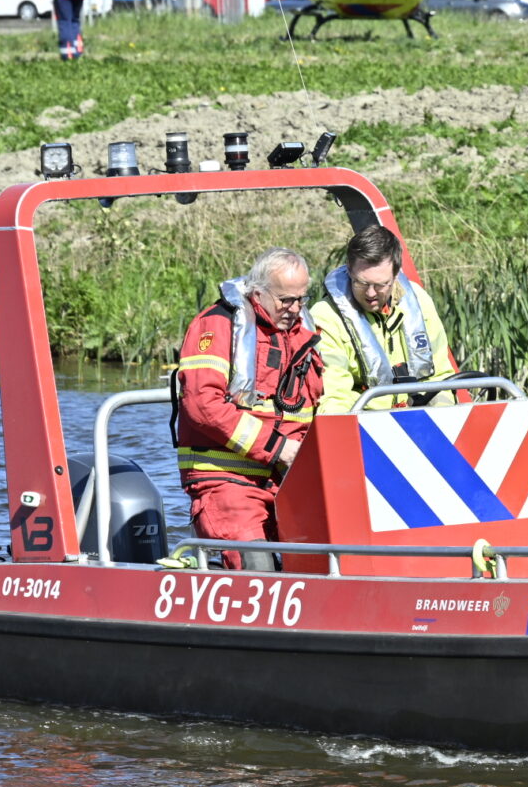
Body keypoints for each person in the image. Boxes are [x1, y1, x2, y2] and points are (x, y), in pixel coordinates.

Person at [173, 248, 324, 569]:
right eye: (285, 300)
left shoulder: (302, 333)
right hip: (228, 482)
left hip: (287, 483)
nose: (295, 309)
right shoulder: (217, 326)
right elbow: (203, 406)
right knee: (258, 568)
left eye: (302, 299)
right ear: (258, 293)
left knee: (332, 561)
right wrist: (278, 448)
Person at [311, 222, 464, 413]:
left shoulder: (419, 301)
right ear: (349, 269)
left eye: (381, 284)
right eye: (361, 282)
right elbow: (332, 399)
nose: (370, 293)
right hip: (363, 425)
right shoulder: (325, 317)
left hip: (421, 421)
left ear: (396, 273)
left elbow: (441, 377)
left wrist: (442, 417)